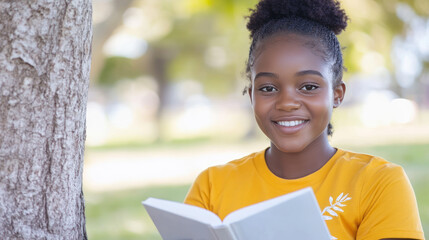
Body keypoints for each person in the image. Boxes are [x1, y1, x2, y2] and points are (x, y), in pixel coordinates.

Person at [184, 0, 424, 239]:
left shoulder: (378, 183)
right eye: (268, 88)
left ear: (337, 94)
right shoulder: (212, 186)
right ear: (251, 96)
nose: (287, 102)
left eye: (308, 86)